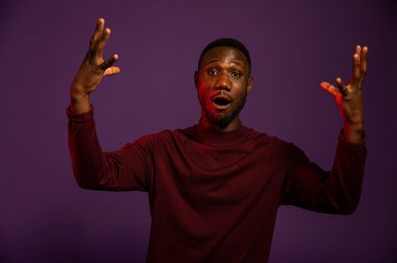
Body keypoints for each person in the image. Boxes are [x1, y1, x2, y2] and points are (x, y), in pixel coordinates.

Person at [67, 18, 368, 263]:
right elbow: (95, 175)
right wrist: (80, 97)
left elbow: (340, 200)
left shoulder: (276, 158)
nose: (223, 82)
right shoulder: (161, 150)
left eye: (235, 74)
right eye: (213, 71)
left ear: (248, 86)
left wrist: (353, 127)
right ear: (196, 80)